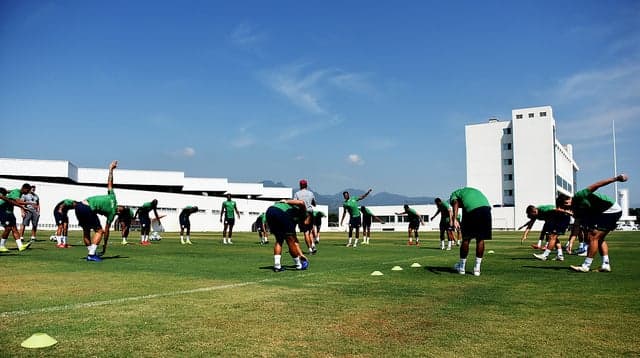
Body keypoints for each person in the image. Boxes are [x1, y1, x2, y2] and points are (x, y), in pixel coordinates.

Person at [569, 174, 628, 273]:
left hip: (610, 209)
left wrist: (616, 179)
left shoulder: (579, 196)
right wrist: (571, 241)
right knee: (598, 238)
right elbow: (577, 225)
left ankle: (586, 266)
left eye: (568, 203)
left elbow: (597, 185)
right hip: (605, 212)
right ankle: (605, 264)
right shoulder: (578, 210)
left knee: (593, 237)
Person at [74, 160, 123, 262]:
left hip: (80, 206)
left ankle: (91, 252)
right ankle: (91, 254)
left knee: (86, 230)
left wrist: (110, 169)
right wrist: (105, 245)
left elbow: (109, 182)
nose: (122, 207)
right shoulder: (112, 208)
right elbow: (106, 230)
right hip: (87, 207)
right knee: (99, 231)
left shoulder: (112, 200)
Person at [449, 187, 492, 276]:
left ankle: (462, 268)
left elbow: (455, 203)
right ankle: (477, 269)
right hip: (486, 210)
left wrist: (454, 219)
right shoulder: (469, 193)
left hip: (473, 211)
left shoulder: (454, 194)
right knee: (480, 239)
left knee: (466, 239)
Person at [523, 196, 573, 262]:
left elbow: (555, 209)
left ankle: (545, 255)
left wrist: (567, 212)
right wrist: (525, 235)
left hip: (562, 219)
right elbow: (530, 224)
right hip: (556, 220)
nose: (531, 216)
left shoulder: (543, 209)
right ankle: (560, 255)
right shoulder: (535, 215)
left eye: (530, 214)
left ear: (533, 211)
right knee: (554, 238)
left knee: (552, 237)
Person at [265, 199, 309, 272]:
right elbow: (302, 202)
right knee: (290, 241)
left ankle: (277, 266)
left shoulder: (293, 218)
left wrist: (301, 254)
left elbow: (295, 239)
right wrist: (286, 201)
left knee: (279, 240)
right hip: (281, 213)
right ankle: (298, 265)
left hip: (270, 211)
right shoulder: (302, 213)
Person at [0, 184, 32, 252]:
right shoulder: (17, 192)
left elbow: (10, 195)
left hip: (9, 212)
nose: (29, 192)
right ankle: (1, 246)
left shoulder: (16, 192)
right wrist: (29, 203)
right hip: (3, 211)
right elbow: (17, 201)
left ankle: (20, 246)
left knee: (14, 228)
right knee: (8, 228)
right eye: (28, 190)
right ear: (25, 189)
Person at [293, 179, 317, 254]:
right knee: (310, 230)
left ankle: (310, 249)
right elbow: (314, 204)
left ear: (300, 185)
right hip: (310, 213)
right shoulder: (310, 193)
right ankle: (313, 245)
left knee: (306, 232)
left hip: (302, 213)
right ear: (306, 185)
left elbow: (295, 204)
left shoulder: (297, 193)